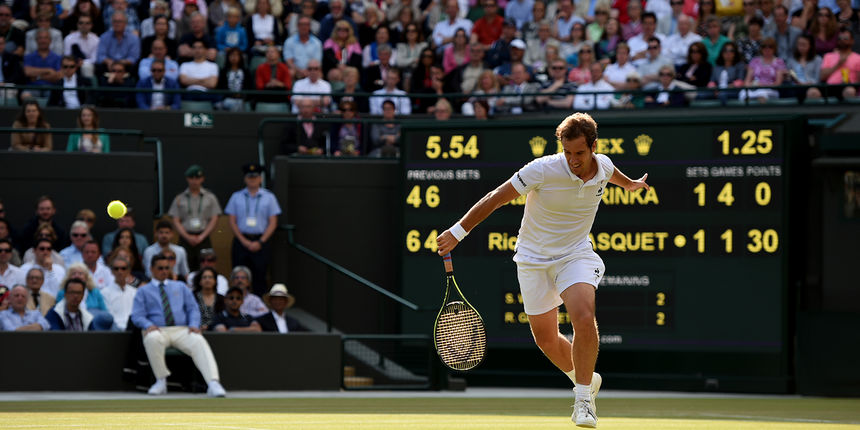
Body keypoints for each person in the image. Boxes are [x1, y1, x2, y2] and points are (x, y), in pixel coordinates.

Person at [437, 112, 649, 427]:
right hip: (532, 259)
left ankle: (583, 401)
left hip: (576, 255)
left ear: (593, 147)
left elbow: (611, 172)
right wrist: (457, 231)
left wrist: (631, 184)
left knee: (584, 315)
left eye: (579, 152)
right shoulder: (541, 170)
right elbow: (497, 197)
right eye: (567, 152)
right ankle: (587, 380)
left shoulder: (602, 165)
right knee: (546, 339)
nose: (573, 160)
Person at [131, 254, 227, 397]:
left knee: (198, 340)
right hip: (158, 330)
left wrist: (194, 325)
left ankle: (213, 383)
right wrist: (148, 324)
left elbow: (193, 309)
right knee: (152, 338)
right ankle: (161, 381)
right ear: (151, 269)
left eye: (166, 268)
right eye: (160, 268)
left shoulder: (181, 286)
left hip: (182, 330)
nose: (164, 271)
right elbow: (137, 315)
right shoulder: (143, 291)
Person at [225, 164, 282, 296]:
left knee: (260, 276)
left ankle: (259, 308)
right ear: (245, 179)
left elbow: (273, 222)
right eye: (249, 177)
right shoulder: (236, 196)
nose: (252, 180)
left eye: (255, 177)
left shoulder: (269, 197)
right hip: (241, 240)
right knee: (238, 276)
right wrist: (244, 241)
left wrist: (261, 242)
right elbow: (232, 221)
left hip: (261, 241)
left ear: (260, 179)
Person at [168, 164, 222, 270]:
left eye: (197, 178)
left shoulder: (210, 197)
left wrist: (202, 236)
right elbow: (176, 220)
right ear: (187, 179)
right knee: (185, 267)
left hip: (204, 237)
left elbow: (214, 218)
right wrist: (187, 237)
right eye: (191, 178)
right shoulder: (180, 198)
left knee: (206, 266)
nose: (194, 181)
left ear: (202, 179)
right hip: (185, 238)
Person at [739, 37, 786, 102]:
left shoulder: (779, 62)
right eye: (764, 47)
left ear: (774, 49)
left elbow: (778, 83)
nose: (767, 49)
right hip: (755, 88)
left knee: (762, 94)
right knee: (743, 93)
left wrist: (763, 85)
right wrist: (753, 85)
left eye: (770, 47)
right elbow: (747, 81)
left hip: (771, 90)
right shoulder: (754, 61)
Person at [820, 28, 860, 99]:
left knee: (849, 91)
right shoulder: (828, 56)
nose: (842, 40)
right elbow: (822, 76)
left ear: (852, 41)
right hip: (830, 88)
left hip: (850, 88)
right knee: (813, 92)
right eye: (840, 38)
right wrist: (838, 64)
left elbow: (858, 80)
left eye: (845, 38)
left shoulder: (858, 58)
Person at [101, 255, 137, 330]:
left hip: (133, 329)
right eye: (116, 269)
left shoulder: (135, 292)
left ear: (128, 271)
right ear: (111, 271)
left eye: (123, 268)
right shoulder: (104, 293)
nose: (120, 271)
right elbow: (108, 316)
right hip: (115, 331)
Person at [283, 15, 323, 80]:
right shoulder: (289, 41)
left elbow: (317, 62)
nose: (304, 27)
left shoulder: (317, 43)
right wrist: (300, 71)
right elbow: (289, 62)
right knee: (290, 72)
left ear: (309, 27)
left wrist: (309, 71)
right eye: (301, 24)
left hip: (312, 69)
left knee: (319, 74)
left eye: (306, 24)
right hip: (295, 70)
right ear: (297, 26)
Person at [191, 266, 223, 330]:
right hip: (196, 330)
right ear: (200, 281)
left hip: (217, 332)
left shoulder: (222, 299)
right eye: (204, 277)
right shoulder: (192, 297)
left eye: (210, 277)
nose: (207, 280)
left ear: (215, 281)